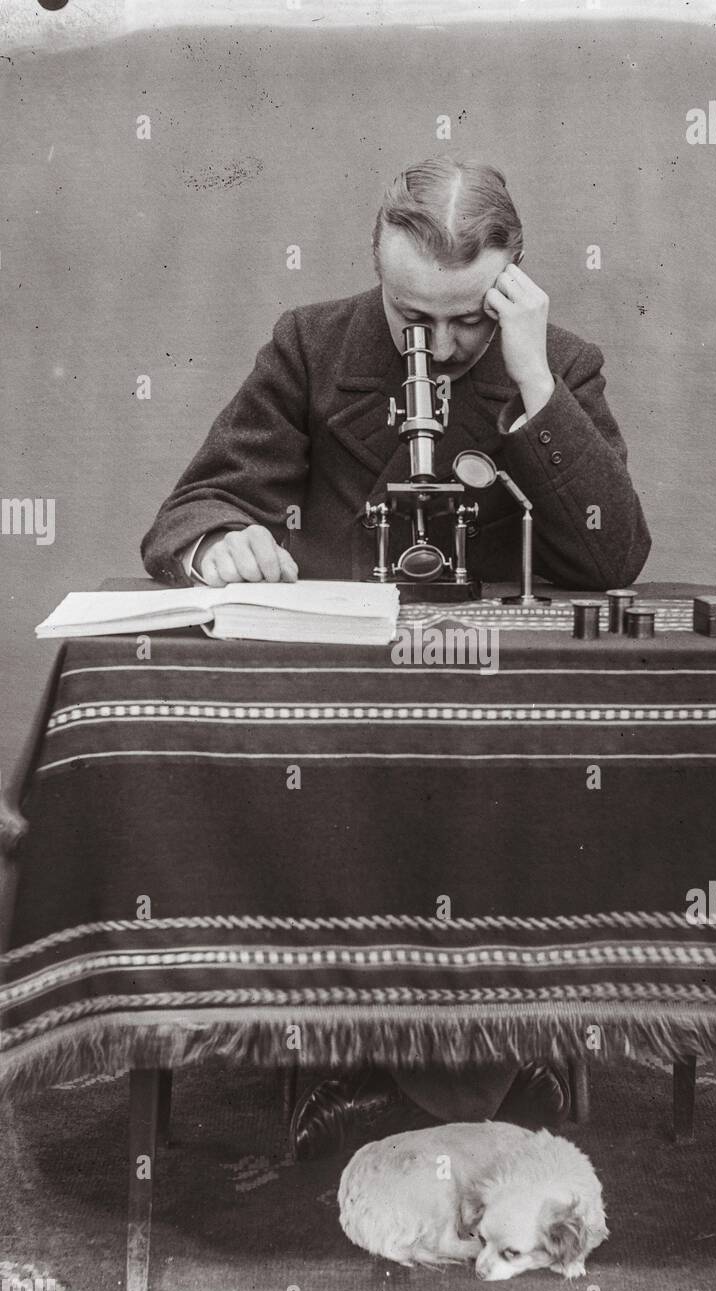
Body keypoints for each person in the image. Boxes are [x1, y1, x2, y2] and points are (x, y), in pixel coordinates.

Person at [141, 155, 651, 1158]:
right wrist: (217, 543)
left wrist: (535, 379)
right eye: (412, 315)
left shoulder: (559, 363)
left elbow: (611, 555)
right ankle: (355, 1054)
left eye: (469, 319)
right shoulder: (311, 346)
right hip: (342, 712)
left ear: (512, 282)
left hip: (493, 719)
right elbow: (190, 509)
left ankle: (495, 1050)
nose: (442, 344)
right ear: (376, 268)